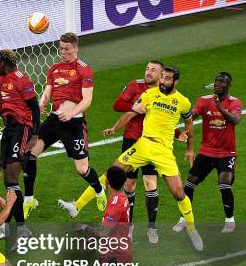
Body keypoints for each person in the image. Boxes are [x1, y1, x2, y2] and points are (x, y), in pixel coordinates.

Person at [63, 67, 203, 251]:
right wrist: (115, 128)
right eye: (162, 77)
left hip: (164, 152)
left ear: (175, 82)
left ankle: (191, 229)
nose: (163, 81)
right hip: (143, 145)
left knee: (178, 193)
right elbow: (131, 113)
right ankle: (78, 205)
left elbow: (189, 122)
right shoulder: (149, 94)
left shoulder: (183, 102)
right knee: (113, 173)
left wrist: (190, 147)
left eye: (167, 79)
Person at [27, 32, 107, 213]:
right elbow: (48, 91)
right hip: (54, 121)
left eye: (67, 49)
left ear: (76, 48)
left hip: (74, 124)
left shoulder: (84, 69)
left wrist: (71, 113)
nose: (63, 52)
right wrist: (42, 102)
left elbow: (87, 99)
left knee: (82, 169)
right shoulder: (54, 68)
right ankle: (29, 199)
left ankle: (99, 190)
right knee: (29, 154)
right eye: (61, 48)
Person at [0, 49, 40, 242]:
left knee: (12, 176)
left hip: (22, 128)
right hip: (8, 130)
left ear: (2, 62)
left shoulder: (22, 80)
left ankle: (15, 228)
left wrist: (35, 134)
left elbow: (34, 107)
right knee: (7, 179)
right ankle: (16, 228)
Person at [173, 72, 242, 234]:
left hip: (226, 153)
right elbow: (191, 116)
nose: (217, 84)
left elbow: (236, 120)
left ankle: (230, 220)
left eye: (222, 82)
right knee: (189, 183)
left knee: (224, 183)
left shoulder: (234, 102)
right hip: (206, 152)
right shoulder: (204, 100)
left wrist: (219, 108)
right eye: (216, 81)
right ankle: (184, 219)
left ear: (228, 85)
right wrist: (178, 120)